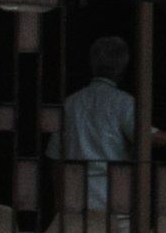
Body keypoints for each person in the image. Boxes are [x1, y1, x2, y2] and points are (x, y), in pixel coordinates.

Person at [54, 33, 138, 217]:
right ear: (123, 68)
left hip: (74, 199)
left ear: (92, 63)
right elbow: (144, 137)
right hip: (114, 199)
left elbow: (55, 156)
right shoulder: (124, 103)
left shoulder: (70, 104)